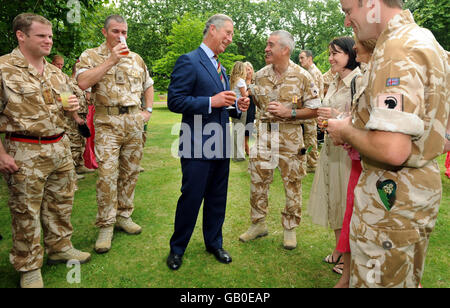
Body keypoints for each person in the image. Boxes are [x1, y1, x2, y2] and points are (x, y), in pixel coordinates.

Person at [327, 0, 449, 288]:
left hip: (390, 200)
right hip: (416, 195)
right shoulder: (425, 39)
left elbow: (392, 149)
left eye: (348, 11)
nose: (347, 22)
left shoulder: (396, 49)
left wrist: (346, 130)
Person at [0, 13, 91, 288]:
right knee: (25, 211)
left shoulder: (55, 73)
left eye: (50, 36)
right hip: (23, 149)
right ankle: (28, 266)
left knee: (61, 204)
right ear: (21, 35)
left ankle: (60, 246)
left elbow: (72, 101)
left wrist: (73, 108)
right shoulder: (4, 68)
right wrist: (1, 155)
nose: (48, 41)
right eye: (41, 35)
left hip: (60, 147)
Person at [167, 14, 249, 270]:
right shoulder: (189, 61)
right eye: (228, 33)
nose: (230, 39)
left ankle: (214, 242)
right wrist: (209, 102)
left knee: (217, 198)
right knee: (191, 198)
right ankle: (177, 249)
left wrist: (237, 106)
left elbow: (223, 106)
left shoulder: (221, 67)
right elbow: (175, 101)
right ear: (212, 30)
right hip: (195, 144)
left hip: (220, 144)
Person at [76, 14, 155, 254]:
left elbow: (148, 85)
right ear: (104, 32)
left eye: (124, 32)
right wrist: (110, 60)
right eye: (115, 32)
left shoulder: (136, 58)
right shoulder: (90, 56)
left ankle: (124, 215)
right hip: (107, 122)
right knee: (107, 174)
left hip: (133, 122)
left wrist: (147, 111)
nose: (121, 36)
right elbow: (82, 82)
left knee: (130, 172)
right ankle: (106, 225)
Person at [240, 30, 321, 250]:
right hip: (265, 133)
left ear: (285, 49)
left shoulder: (303, 76)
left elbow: (315, 110)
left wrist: (290, 113)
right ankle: (258, 224)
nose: (266, 48)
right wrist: (245, 103)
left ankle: (289, 229)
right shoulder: (259, 75)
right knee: (258, 180)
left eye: (270, 44)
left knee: (292, 182)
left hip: (291, 135)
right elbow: (254, 101)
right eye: (267, 45)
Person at [307, 36, 361, 270]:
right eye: (330, 53)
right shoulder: (336, 81)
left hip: (348, 153)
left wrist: (336, 116)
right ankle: (339, 249)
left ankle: (348, 257)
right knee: (334, 200)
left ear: (350, 54)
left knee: (348, 203)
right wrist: (324, 121)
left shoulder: (358, 81)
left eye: (335, 53)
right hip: (331, 149)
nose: (330, 58)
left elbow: (362, 120)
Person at [334, 37, 376, 288]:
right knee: (351, 218)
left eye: (358, 44)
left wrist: (346, 129)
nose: (355, 48)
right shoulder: (362, 77)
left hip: (376, 162)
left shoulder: (385, 72)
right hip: (358, 160)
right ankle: (347, 276)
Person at [299, 50, 324, 173]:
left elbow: (314, 93)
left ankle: (313, 163)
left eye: (302, 58)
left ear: (310, 58)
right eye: (300, 58)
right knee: (309, 136)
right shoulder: (311, 72)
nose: (300, 60)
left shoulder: (312, 73)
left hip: (312, 109)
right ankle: (311, 161)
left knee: (310, 137)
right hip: (311, 108)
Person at [230, 61, 249, 161]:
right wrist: (249, 90)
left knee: (235, 131)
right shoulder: (241, 81)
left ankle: (235, 154)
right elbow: (244, 95)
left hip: (233, 107)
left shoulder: (232, 80)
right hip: (241, 108)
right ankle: (239, 156)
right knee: (239, 131)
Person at [244, 61, 256, 156]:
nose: (249, 71)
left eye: (250, 69)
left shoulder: (255, 81)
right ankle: (246, 147)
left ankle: (246, 146)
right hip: (245, 106)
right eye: (246, 70)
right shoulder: (242, 82)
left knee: (249, 127)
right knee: (244, 127)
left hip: (253, 106)